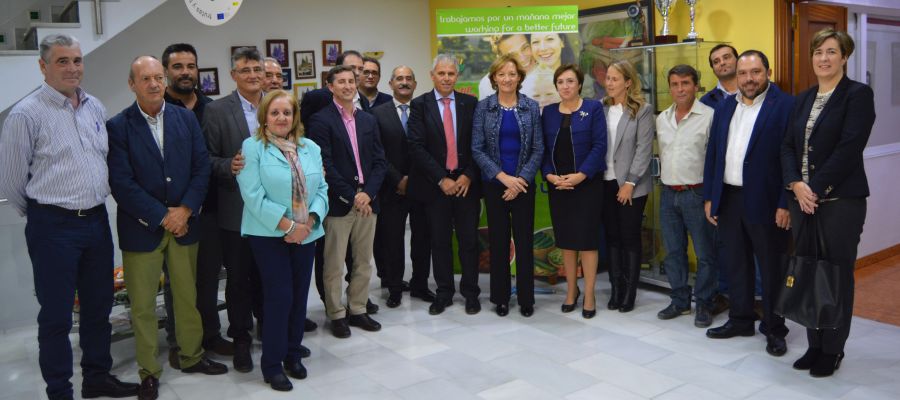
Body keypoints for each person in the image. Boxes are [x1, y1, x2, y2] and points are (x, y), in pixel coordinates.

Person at [0, 33, 140, 400]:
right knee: (57, 317)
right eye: (62, 61)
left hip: (95, 221)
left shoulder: (94, 106)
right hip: (53, 227)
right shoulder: (25, 114)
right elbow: (12, 180)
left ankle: (97, 379)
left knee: (98, 308)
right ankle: (59, 390)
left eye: (77, 60)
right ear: (43, 66)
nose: (73, 67)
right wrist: (44, 213)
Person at [107, 55, 227, 400]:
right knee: (143, 306)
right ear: (132, 84)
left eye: (158, 77)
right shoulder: (118, 126)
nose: (154, 83)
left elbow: (201, 168)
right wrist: (164, 216)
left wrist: (186, 209)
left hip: (185, 224)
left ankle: (191, 356)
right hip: (141, 228)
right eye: (145, 78)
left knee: (187, 296)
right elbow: (121, 182)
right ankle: (149, 371)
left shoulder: (185, 119)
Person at [781, 29, 875, 377]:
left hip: (839, 203)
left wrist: (814, 188)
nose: (823, 58)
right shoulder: (803, 99)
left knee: (835, 276)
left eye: (831, 51)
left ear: (844, 56)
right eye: (818, 51)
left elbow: (849, 148)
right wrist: (795, 184)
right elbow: (787, 146)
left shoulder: (857, 95)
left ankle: (833, 350)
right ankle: (814, 345)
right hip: (801, 201)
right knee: (807, 271)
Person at [703, 50, 793, 359]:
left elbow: (791, 159)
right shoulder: (727, 106)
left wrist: (785, 203)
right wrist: (711, 196)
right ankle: (740, 320)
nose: (749, 79)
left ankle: (774, 328)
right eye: (743, 73)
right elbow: (714, 153)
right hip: (729, 198)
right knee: (736, 264)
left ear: (768, 71)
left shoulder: (785, 106)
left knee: (771, 268)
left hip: (768, 202)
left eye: (755, 72)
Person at [236, 90, 329, 391]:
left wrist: (310, 220)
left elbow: (322, 189)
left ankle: (292, 352)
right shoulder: (252, 148)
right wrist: (289, 225)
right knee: (279, 297)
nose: (281, 118)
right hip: (269, 234)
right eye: (274, 112)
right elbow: (252, 196)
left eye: (286, 113)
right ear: (264, 116)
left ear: (295, 117)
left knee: (301, 295)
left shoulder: (310, 147)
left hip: (307, 233)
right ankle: (272, 364)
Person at [160, 42, 232, 368]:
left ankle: (212, 335)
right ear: (166, 72)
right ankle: (179, 342)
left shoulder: (213, 109)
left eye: (191, 66)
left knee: (208, 278)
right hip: (175, 214)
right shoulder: (156, 110)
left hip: (212, 210)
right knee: (179, 284)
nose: (186, 72)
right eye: (178, 67)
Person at [308, 65, 387, 338]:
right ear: (330, 86)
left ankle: (357, 308)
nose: (347, 86)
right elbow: (325, 165)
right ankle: (336, 313)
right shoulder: (320, 121)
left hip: (369, 201)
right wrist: (353, 195)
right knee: (333, 263)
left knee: (364, 261)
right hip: (339, 203)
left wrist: (369, 193)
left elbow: (380, 161)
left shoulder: (368, 120)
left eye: (351, 81)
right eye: (340, 82)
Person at [202, 46, 265, 372]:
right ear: (233, 75)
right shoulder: (216, 111)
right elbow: (206, 160)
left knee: (268, 276)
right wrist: (230, 165)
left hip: (274, 212)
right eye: (245, 70)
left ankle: (270, 332)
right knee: (239, 280)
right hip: (236, 211)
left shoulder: (278, 104)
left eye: (257, 68)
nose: (253, 75)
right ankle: (240, 337)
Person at [407, 54, 482, 316]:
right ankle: (444, 292)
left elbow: (479, 145)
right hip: (435, 186)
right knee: (439, 242)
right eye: (442, 73)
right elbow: (416, 147)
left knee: (469, 241)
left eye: (451, 73)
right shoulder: (419, 105)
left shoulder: (470, 104)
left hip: (466, 185)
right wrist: (442, 179)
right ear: (432, 75)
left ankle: (471, 293)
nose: (447, 78)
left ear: (457, 76)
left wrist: (467, 176)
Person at [471, 55, 544, 317]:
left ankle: (526, 299)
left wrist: (520, 180)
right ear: (493, 78)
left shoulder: (531, 107)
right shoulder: (484, 108)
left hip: (523, 186)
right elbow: (477, 150)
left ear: (520, 78)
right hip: (495, 185)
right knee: (499, 243)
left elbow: (538, 148)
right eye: (501, 74)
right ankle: (500, 298)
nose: (507, 79)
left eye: (512, 74)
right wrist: (504, 178)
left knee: (524, 243)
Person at [541, 64, 607, 319]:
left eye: (570, 81)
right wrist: (549, 175)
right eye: (560, 82)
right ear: (556, 86)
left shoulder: (593, 108)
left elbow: (600, 145)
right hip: (558, 185)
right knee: (567, 242)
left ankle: (589, 293)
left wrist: (580, 176)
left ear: (579, 84)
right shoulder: (547, 112)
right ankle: (571, 291)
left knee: (587, 242)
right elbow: (543, 149)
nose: (565, 86)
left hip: (587, 185)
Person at [655, 65, 717, 328]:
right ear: (669, 87)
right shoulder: (662, 119)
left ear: (696, 85)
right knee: (673, 252)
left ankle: (704, 302)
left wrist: (711, 198)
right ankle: (680, 300)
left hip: (697, 193)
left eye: (685, 83)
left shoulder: (709, 116)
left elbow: (715, 161)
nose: (680, 89)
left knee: (705, 254)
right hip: (668, 194)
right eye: (675, 84)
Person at [371, 66, 436, 308]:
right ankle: (395, 288)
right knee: (393, 241)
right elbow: (378, 152)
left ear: (416, 84)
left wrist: (416, 180)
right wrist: (398, 179)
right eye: (399, 78)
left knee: (422, 239)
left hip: (423, 187)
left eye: (409, 78)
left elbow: (431, 148)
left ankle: (420, 285)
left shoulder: (426, 109)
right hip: (392, 188)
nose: (404, 82)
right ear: (390, 84)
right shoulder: (377, 114)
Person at [601, 59, 654, 313]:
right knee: (611, 238)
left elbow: (644, 149)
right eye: (608, 78)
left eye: (614, 79)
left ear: (628, 83)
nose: (609, 83)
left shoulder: (642, 110)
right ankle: (615, 289)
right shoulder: (600, 108)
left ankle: (629, 293)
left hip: (631, 185)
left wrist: (630, 182)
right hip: (604, 183)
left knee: (629, 237)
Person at [478, 34, 535, 100]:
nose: (522, 58)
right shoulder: (487, 84)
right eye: (513, 55)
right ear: (500, 58)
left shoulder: (547, 72)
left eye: (525, 48)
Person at [700, 44, 739, 108]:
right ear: (713, 70)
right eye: (716, 62)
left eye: (726, 57)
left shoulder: (753, 91)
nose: (722, 63)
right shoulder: (706, 101)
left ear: (738, 60)